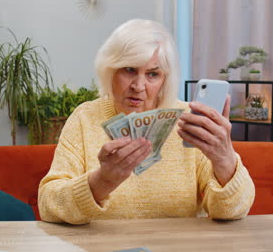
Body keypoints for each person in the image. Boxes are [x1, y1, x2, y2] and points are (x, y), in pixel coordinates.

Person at [38, 19, 255, 225]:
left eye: (152, 74)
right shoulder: (85, 118)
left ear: (165, 80)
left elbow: (231, 211)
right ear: (110, 70)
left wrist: (225, 159)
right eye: (130, 70)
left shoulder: (190, 121)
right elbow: (48, 205)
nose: (139, 85)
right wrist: (101, 182)